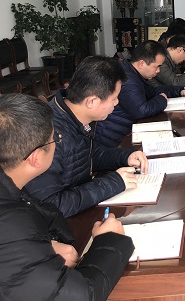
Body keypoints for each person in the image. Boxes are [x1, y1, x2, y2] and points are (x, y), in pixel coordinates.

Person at [0, 93, 134, 300]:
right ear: (35, 158)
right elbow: (82, 295)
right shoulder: (11, 224)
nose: (57, 143)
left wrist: (41, 246)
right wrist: (109, 240)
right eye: (55, 139)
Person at [25, 56, 148, 217]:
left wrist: (125, 157)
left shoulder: (76, 116)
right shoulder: (48, 136)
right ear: (91, 102)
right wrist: (114, 182)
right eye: (114, 98)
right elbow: (52, 206)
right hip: (61, 224)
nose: (117, 103)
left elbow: (87, 156)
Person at [95, 40, 185, 148]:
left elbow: (152, 91)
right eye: (156, 66)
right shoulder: (127, 79)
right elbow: (141, 110)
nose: (158, 71)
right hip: (112, 139)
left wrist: (179, 91)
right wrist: (162, 100)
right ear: (141, 64)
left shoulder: (134, 73)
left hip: (124, 132)